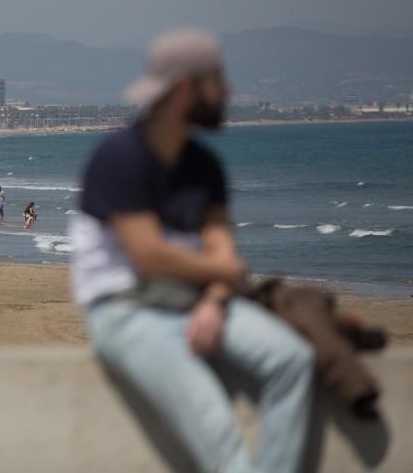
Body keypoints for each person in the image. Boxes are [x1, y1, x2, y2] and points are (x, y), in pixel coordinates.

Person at [69, 28, 314, 473]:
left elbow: (225, 253)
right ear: (185, 89)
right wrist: (221, 270)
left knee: (292, 361)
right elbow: (151, 257)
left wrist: (216, 300)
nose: (228, 91)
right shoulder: (120, 158)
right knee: (220, 436)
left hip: (194, 302)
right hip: (126, 312)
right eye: (218, 79)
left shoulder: (205, 166)